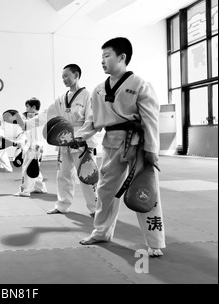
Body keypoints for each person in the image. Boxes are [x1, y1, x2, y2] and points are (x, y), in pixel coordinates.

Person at [79, 37, 165, 257]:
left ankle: (154, 241)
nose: (103, 61)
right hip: (111, 143)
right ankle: (101, 231)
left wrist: (152, 150)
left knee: (145, 191)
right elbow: (92, 121)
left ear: (122, 57)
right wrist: (79, 136)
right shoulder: (98, 89)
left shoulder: (139, 84)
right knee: (105, 189)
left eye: (107, 56)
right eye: (101, 57)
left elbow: (151, 119)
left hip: (138, 143)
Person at [23, 64, 98, 215]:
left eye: (66, 76)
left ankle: (95, 209)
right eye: (62, 77)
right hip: (64, 140)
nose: (64, 79)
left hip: (81, 142)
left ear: (76, 75)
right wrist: (26, 125)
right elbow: (45, 115)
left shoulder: (88, 96)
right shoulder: (61, 99)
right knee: (63, 175)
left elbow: (91, 118)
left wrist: (81, 136)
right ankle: (62, 205)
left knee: (86, 176)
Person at [13, 97, 47, 197]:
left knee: (27, 169)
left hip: (34, 147)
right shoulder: (40, 118)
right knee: (35, 167)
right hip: (38, 147)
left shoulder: (35, 119)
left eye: (27, 106)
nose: (26, 108)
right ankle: (40, 187)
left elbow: (32, 136)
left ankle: (25, 191)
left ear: (33, 107)